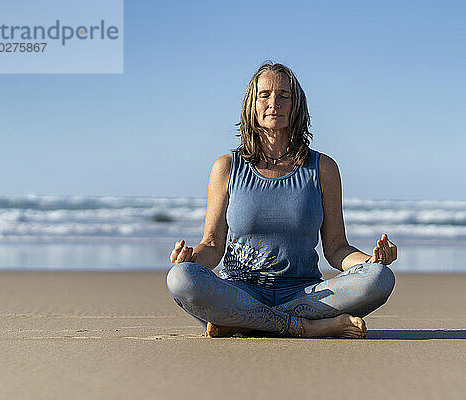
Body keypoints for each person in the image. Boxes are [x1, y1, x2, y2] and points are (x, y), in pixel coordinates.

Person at [166, 62, 397, 338]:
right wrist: (191, 259)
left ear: (296, 106)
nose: (273, 102)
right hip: (241, 290)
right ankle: (303, 327)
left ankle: (247, 323)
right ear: (252, 105)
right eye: (264, 95)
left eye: (283, 96)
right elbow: (213, 245)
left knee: (381, 279)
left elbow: (336, 248)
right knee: (180, 278)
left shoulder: (323, 168)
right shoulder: (227, 167)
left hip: (307, 295)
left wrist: (371, 261)